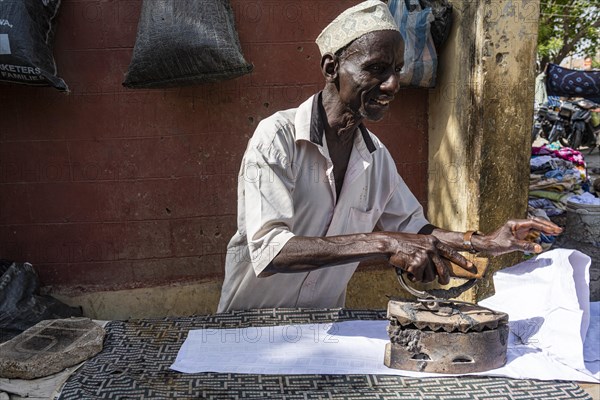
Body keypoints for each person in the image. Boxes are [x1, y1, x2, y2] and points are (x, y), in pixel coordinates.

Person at [217, 0, 562, 313]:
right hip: (248, 326)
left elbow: (415, 229)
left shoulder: (375, 158)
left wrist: (484, 242)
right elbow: (271, 249)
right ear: (331, 67)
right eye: (377, 68)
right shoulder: (277, 137)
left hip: (321, 329)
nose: (393, 84)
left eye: (397, 69)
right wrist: (384, 242)